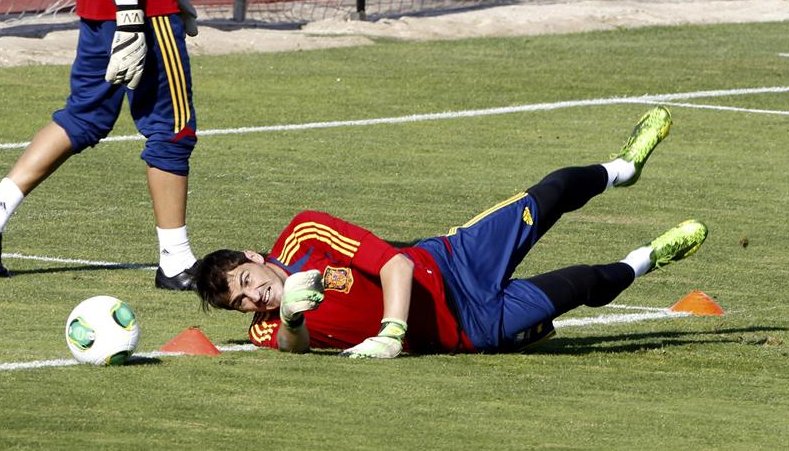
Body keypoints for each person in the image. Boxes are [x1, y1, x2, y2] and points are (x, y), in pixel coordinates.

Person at [195, 106, 709, 358]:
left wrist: (391, 333)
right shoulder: (267, 326)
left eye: (246, 281)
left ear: (253, 257)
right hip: (470, 328)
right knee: (584, 283)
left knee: (548, 195)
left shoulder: (304, 234)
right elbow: (293, 347)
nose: (253, 298)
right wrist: (292, 316)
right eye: (241, 302)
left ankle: (621, 168)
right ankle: (648, 257)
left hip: (454, 261)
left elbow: (394, 263)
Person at [0, 0, 200, 290]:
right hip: (143, 10)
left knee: (83, 117)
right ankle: (176, 259)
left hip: (103, 8)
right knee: (172, 129)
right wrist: (130, 17)